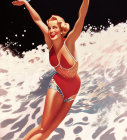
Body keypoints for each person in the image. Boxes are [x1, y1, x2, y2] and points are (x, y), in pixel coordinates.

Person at [12, 0, 90, 139]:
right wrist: (26, 3)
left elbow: (82, 15)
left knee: (47, 132)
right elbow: (37, 20)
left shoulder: (69, 42)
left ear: (61, 30)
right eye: (50, 28)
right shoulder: (50, 43)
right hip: (58, 84)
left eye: (55, 28)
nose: (52, 31)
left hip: (73, 88)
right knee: (43, 127)